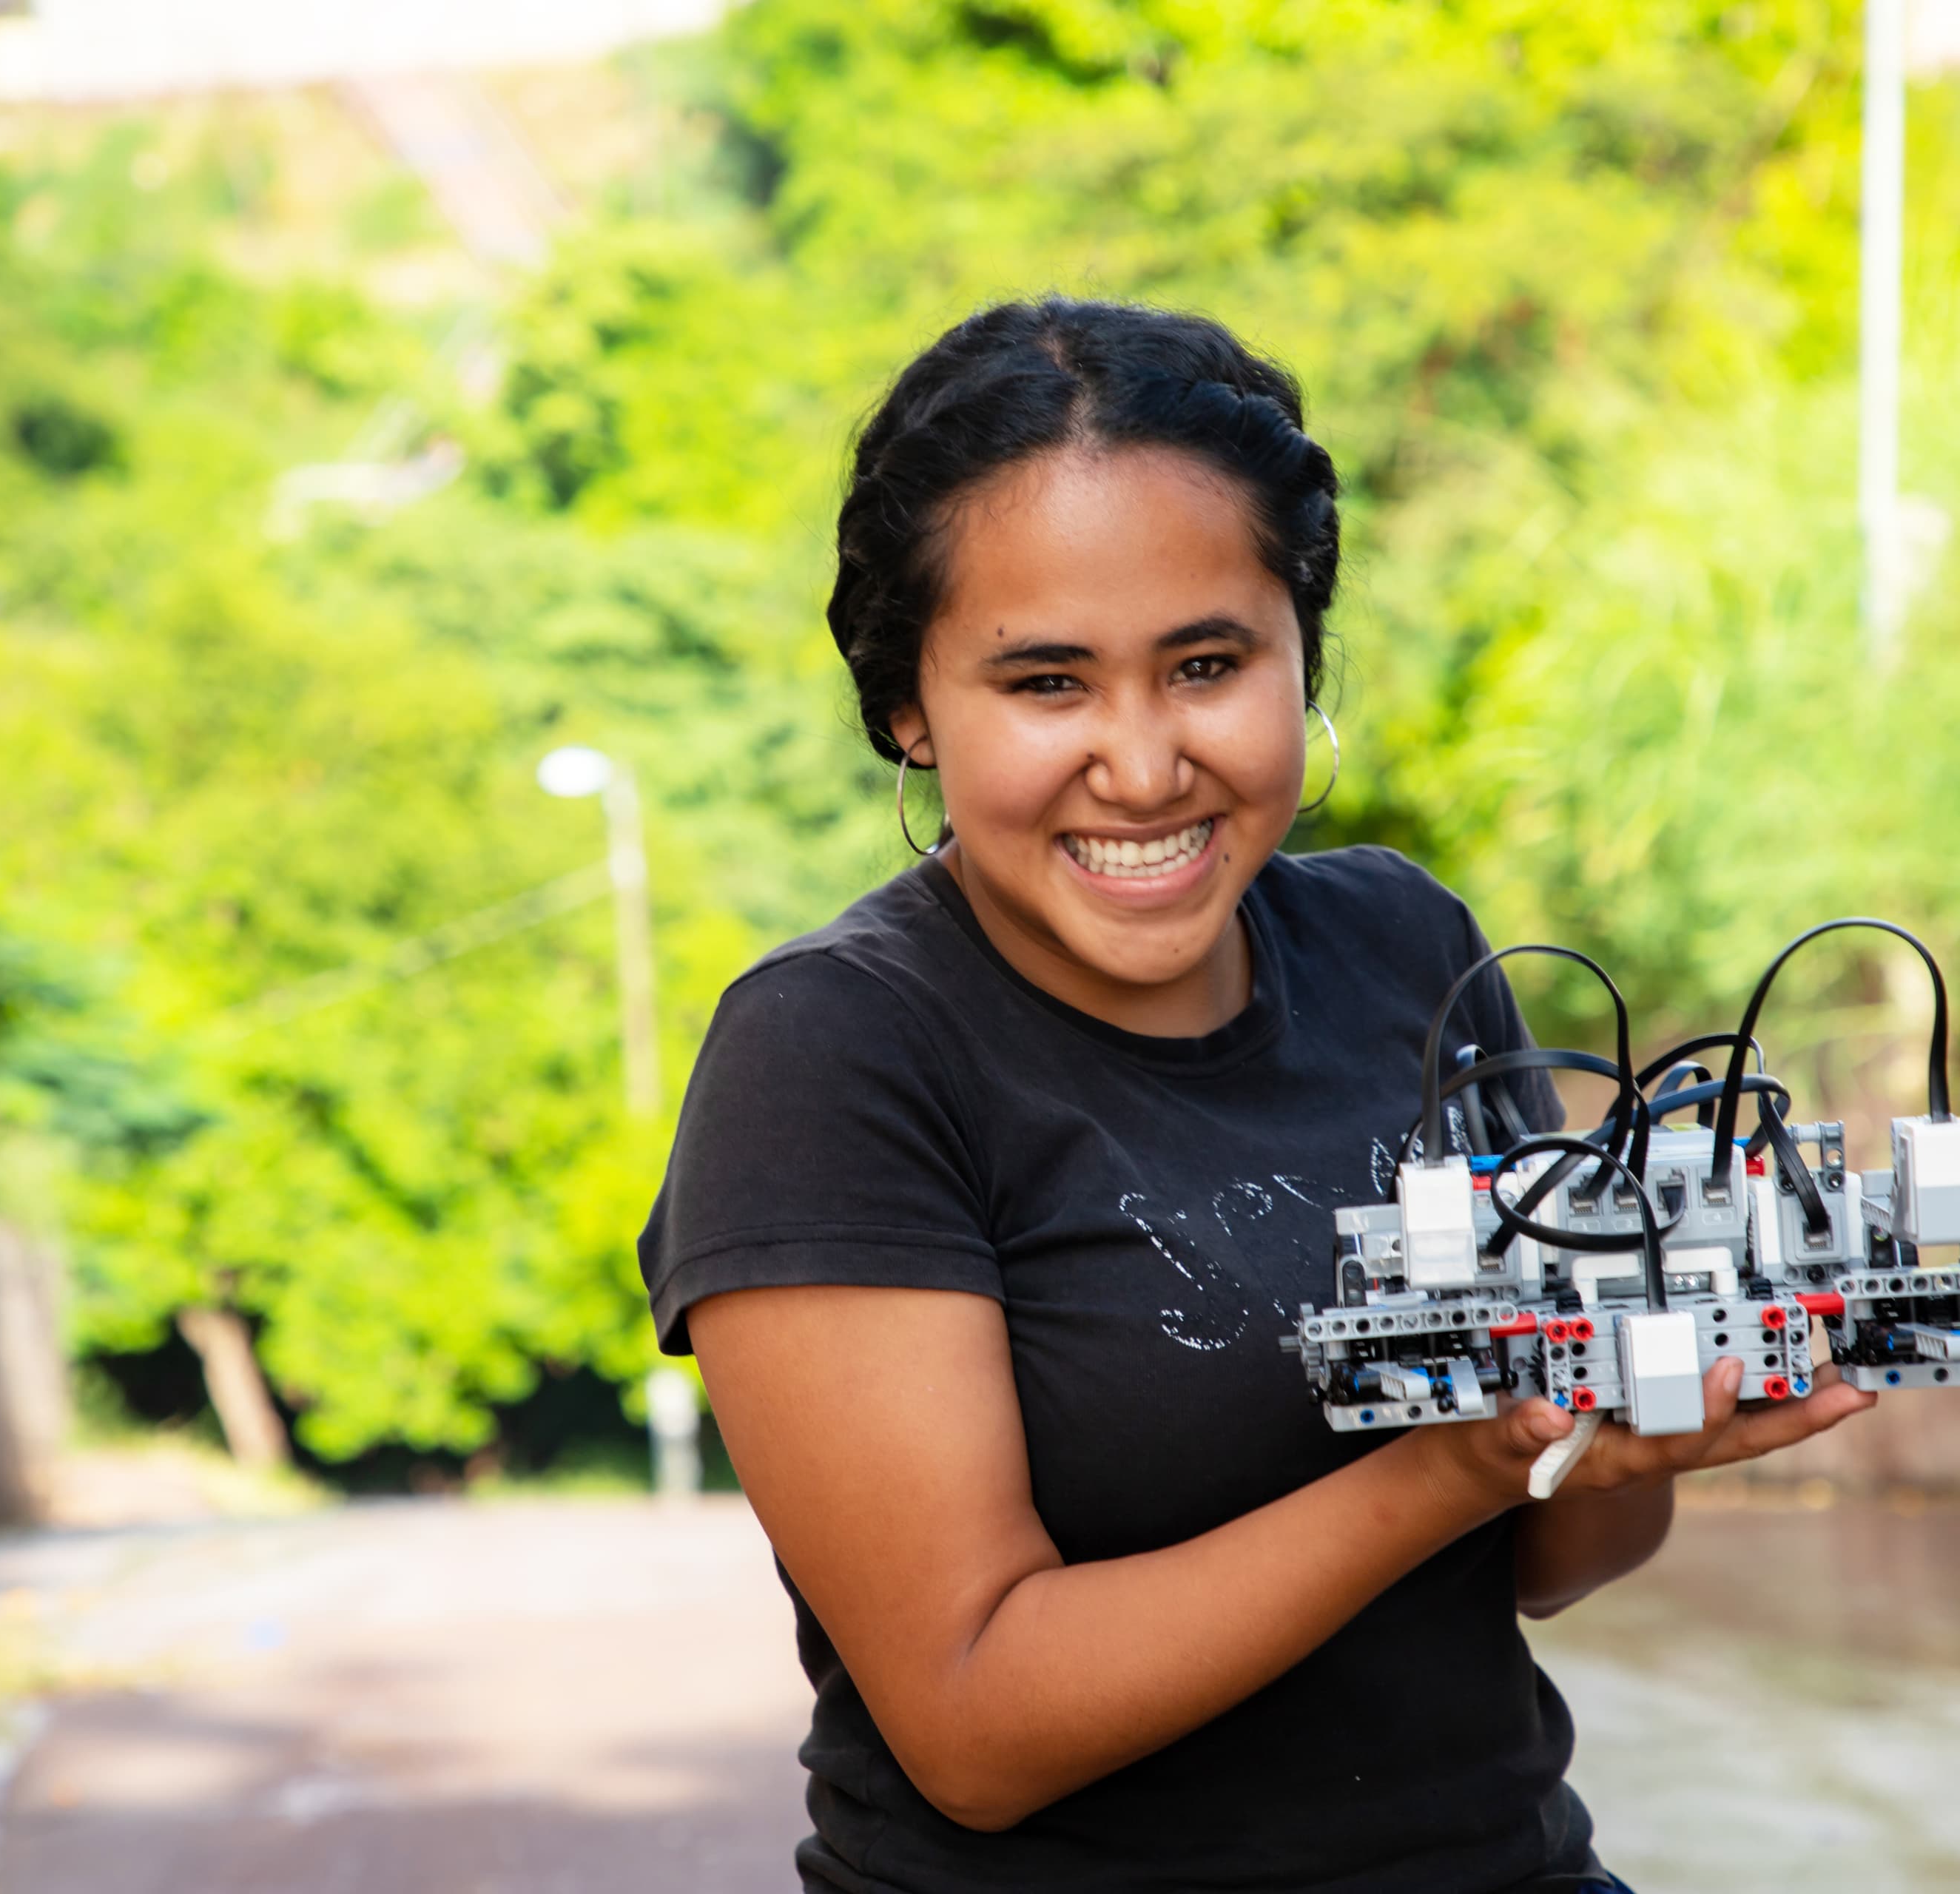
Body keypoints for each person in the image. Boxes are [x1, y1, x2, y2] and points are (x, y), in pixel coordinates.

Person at [637, 297, 1874, 1893]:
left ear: (1302, 653)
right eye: (1047, 683)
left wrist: (1632, 1419)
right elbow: (974, 1720)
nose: (1145, 765)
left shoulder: (1400, 944)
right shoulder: (835, 1051)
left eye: (1208, 663)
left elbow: (1550, 1561)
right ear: (909, 707)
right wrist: (1452, 1464)